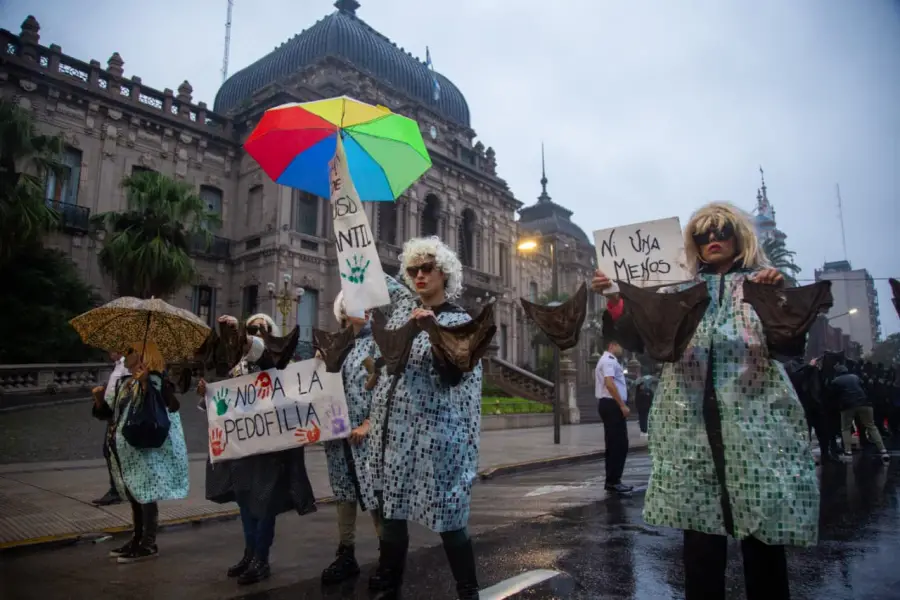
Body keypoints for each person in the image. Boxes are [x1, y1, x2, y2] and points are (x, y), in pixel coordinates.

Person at [594, 202, 820, 600]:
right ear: (694, 243)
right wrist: (615, 300)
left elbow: (788, 346)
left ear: (740, 236)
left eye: (722, 231)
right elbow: (641, 340)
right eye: (703, 235)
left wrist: (777, 298)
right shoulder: (680, 290)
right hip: (690, 431)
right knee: (700, 542)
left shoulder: (760, 283)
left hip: (756, 426)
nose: (713, 240)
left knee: (763, 539)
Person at [367, 236, 483, 599]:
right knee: (391, 511)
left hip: (437, 438)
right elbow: (366, 276)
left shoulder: (459, 320)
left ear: (444, 273)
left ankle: (467, 589)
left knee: (448, 515)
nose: (418, 275)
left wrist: (432, 330)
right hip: (394, 434)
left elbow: (453, 376)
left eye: (427, 268)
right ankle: (389, 583)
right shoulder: (402, 312)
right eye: (413, 270)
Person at [197, 313, 316, 586]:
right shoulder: (236, 365)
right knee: (245, 501)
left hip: (269, 449)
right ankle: (249, 554)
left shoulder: (280, 363)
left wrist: (241, 334)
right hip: (240, 447)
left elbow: (272, 372)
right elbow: (222, 402)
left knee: (264, 503)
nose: (255, 333)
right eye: (251, 328)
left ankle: (261, 559)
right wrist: (208, 393)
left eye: (261, 329)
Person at [91, 341, 189, 563]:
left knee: (146, 494)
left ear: (143, 355)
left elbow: (170, 406)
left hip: (146, 448)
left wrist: (146, 384)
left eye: (130, 352)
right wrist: (98, 398)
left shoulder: (157, 379)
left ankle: (148, 543)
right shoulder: (125, 383)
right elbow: (109, 413)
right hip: (127, 451)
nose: (124, 356)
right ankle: (137, 538)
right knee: (135, 493)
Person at [320, 292, 382, 585]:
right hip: (338, 438)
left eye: (369, 304)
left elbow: (385, 387)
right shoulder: (333, 346)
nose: (367, 309)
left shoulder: (379, 342)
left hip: (368, 438)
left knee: (375, 494)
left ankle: (388, 558)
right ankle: (346, 555)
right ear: (344, 309)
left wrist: (370, 423)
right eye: (360, 304)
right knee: (344, 494)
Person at [827, 364, 889, 464]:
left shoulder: (836, 381)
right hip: (865, 404)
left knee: (845, 428)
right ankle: (883, 451)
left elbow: (832, 394)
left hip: (848, 406)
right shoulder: (855, 377)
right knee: (871, 426)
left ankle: (848, 453)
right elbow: (863, 385)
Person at [92, 351, 130, 506]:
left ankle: (118, 490)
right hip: (113, 416)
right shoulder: (119, 365)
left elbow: (126, 391)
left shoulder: (126, 366)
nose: (109, 351)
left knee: (113, 452)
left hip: (119, 417)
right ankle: (118, 489)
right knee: (110, 451)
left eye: (112, 348)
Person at [594, 339, 632, 494]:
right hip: (612, 405)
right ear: (612, 345)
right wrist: (622, 405)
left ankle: (613, 480)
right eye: (620, 345)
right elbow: (609, 383)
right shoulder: (608, 360)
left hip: (609, 405)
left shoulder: (608, 360)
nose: (622, 349)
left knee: (615, 443)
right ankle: (613, 480)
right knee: (618, 444)